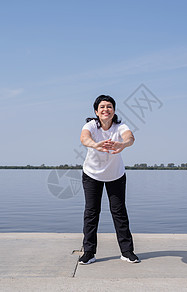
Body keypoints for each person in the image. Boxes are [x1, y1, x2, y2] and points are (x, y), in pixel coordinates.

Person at [79, 95, 140, 265]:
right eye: (102, 107)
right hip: (92, 175)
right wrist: (95, 144)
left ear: (114, 110)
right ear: (96, 111)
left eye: (109, 106)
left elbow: (129, 137)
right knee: (91, 212)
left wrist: (123, 144)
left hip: (116, 176)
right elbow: (84, 137)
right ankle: (89, 253)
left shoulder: (120, 126)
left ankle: (127, 252)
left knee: (119, 212)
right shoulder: (91, 125)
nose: (106, 109)